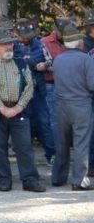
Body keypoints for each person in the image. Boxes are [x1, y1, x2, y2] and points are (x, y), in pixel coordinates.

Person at [0, 28, 45, 193]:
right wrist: (1, 107)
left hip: (19, 109)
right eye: (4, 44)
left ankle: (30, 180)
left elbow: (30, 85)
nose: (9, 47)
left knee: (24, 146)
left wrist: (18, 107)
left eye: (10, 44)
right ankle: (4, 180)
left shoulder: (21, 61)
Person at [49, 23, 94, 191]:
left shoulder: (58, 60)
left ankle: (58, 177)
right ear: (80, 43)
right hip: (81, 105)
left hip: (61, 104)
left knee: (62, 143)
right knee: (81, 143)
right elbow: (92, 84)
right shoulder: (86, 59)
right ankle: (79, 180)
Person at [16, 19, 56, 165]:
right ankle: (25, 160)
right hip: (19, 92)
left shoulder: (40, 45)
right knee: (24, 125)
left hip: (38, 91)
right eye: (23, 36)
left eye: (28, 36)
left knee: (44, 123)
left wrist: (43, 66)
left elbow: (51, 63)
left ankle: (51, 155)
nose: (26, 39)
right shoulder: (13, 47)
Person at [40, 19, 70, 152]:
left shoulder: (70, 41)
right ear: (55, 29)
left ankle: (66, 147)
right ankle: (58, 151)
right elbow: (43, 64)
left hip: (68, 85)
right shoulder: (45, 42)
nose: (63, 35)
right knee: (54, 119)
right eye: (61, 32)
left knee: (67, 118)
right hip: (51, 84)